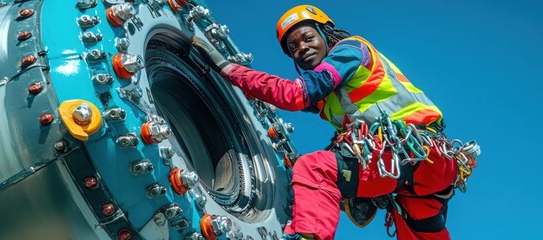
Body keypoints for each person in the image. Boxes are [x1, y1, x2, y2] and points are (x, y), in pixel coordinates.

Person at [191, 5, 480, 240]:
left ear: (326, 34)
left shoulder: (350, 51)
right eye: (293, 47)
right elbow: (280, 95)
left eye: (307, 38)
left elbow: (293, 94)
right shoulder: (328, 97)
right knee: (421, 234)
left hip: (409, 154)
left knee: (315, 169)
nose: (301, 48)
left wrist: (228, 68)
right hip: (424, 171)